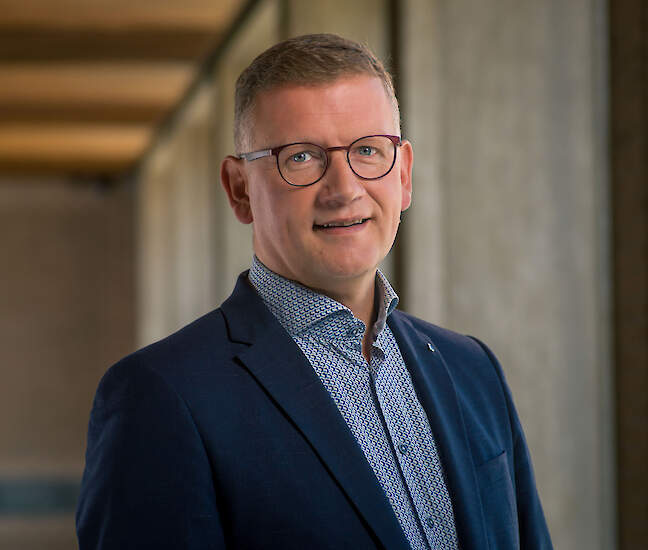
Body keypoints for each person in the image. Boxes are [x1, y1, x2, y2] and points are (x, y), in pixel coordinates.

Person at [76, 33, 552, 550]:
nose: (345, 189)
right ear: (240, 190)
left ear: (405, 174)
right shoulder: (162, 397)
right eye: (301, 157)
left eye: (369, 151)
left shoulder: (472, 370)